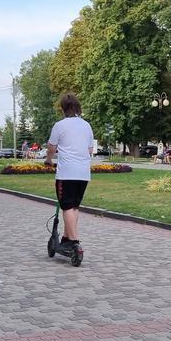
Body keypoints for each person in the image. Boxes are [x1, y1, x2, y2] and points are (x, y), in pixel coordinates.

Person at [46, 93, 94, 250]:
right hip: (83, 174)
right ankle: (66, 238)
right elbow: (89, 150)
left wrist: (48, 160)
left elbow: (52, 148)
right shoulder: (86, 125)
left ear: (63, 108)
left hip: (66, 173)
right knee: (74, 207)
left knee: (66, 206)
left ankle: (74, 241)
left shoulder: (59, 125)